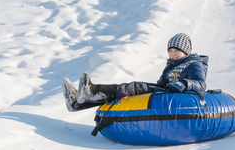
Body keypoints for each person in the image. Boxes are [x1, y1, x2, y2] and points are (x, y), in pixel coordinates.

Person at [62, 33, 209, 111]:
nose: (172, 54)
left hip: (181, 98)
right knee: (131, 89)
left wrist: (183, 84)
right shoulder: (170, 65)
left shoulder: (193, 65)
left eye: (177, 50)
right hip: (166, 91)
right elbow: (161, 83)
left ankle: (91, 91)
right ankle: (79, 102)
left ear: (186, 52)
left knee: (134, 87)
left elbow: (201, 84)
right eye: (170, 51)